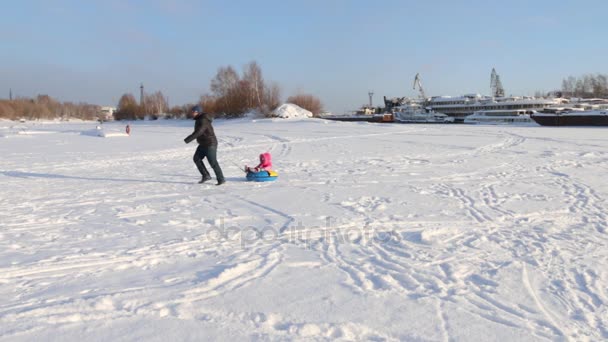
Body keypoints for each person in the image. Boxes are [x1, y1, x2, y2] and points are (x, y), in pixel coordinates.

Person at [184, 105, 226, 185]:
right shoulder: (198, 119)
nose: (192, 113)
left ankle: (221, 179)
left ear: (198, 112)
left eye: (193, 112)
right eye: (192, 112)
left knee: (213, 162)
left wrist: (188, 139)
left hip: (210, 144)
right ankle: (206, 175)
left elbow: (199, 131)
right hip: (203, 144)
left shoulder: (203, 120)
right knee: (196, 158)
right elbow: (198, 132)